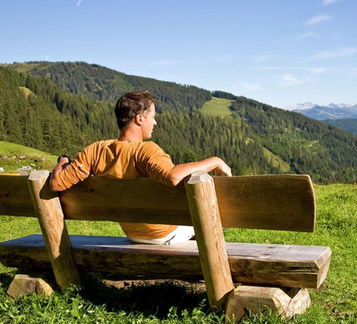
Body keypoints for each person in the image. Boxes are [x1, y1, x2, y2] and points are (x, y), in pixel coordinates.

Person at [50, 91, 231, 244]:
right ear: (139, 119)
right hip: (163, 235)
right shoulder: (145, 150)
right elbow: (173, 176)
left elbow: (57, 183)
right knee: (214, 216)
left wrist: (62, 162)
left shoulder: (95, 150)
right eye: (152, 117)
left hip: (133, 235)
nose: (155, 123)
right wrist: (215, 161)